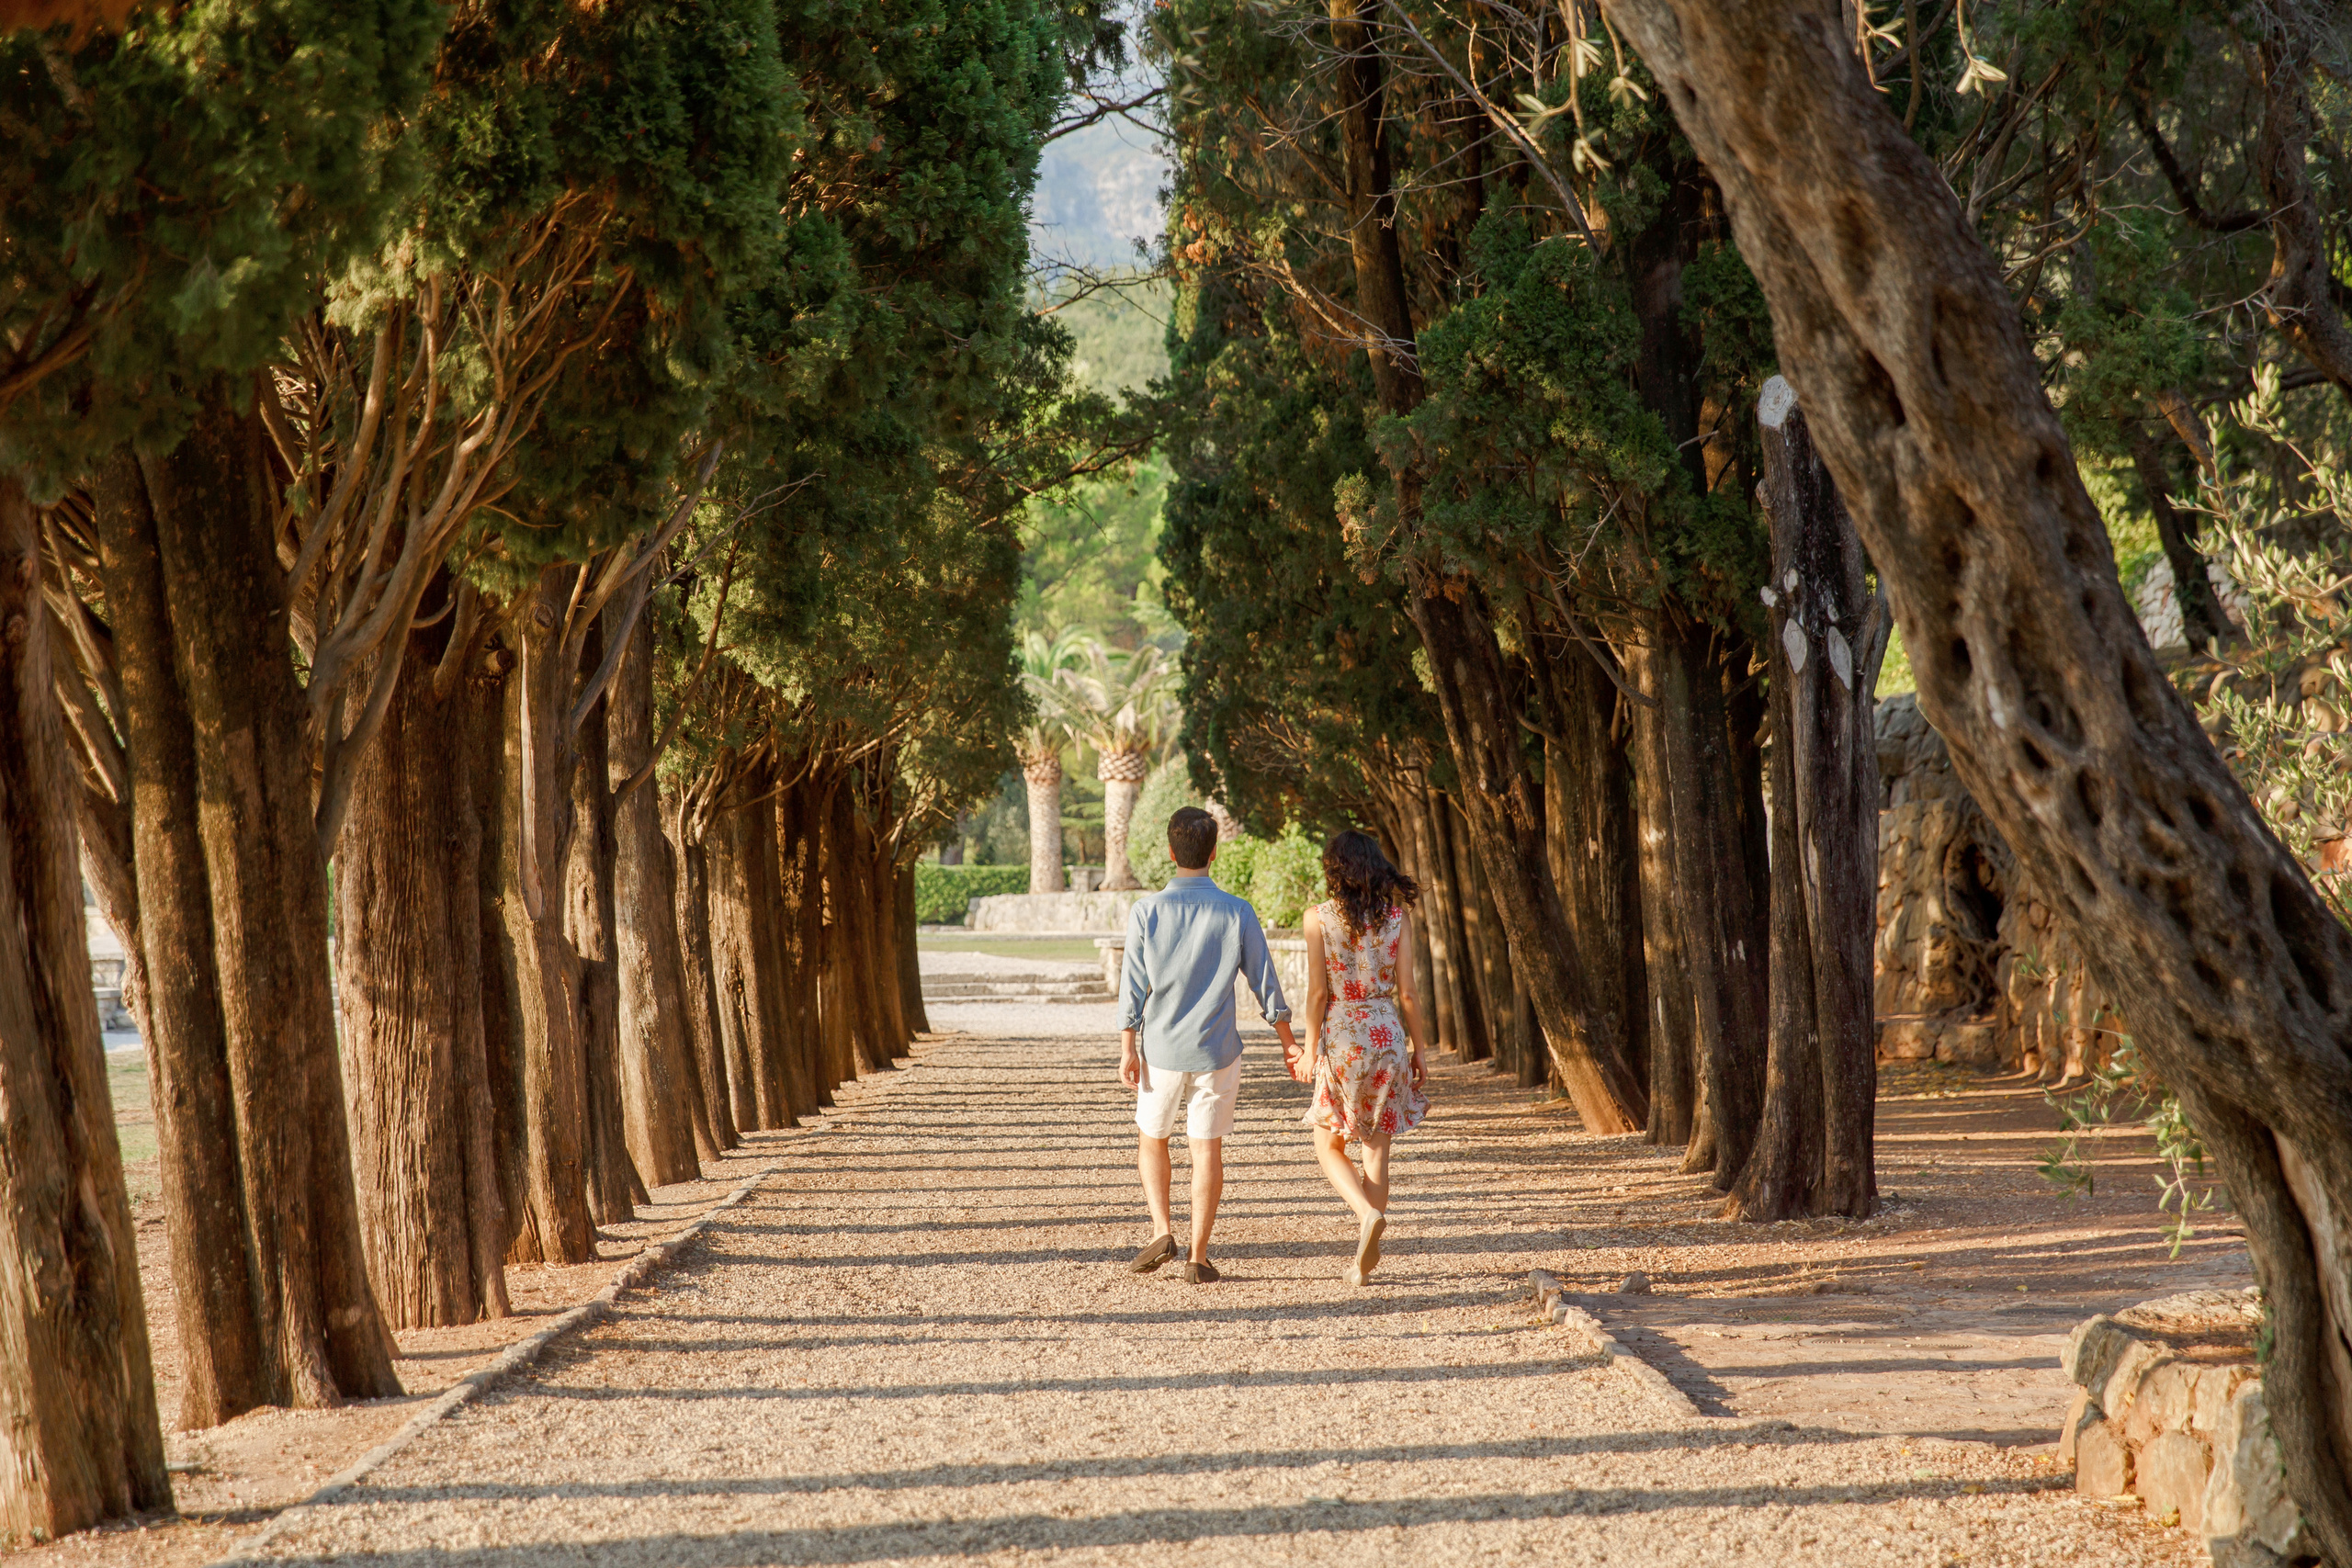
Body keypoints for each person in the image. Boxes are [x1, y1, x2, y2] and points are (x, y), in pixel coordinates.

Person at [1117, 806, 1299, 1284]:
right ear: (1214, 852)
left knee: (1152, 1138)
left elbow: (1132, 987)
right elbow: (1266, 982)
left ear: (1172, 851)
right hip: (1217, 1051)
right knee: (1207, 1149)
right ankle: (1198, 1256)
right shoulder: (1237, 911)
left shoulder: (1146, 911)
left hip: (1160, 1050)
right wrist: (1289, 1044)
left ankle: (1161, 1228)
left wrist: (1127, 1048)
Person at [1301, 829, 1430, 1285]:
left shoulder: (1318, 918)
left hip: (1343, 1035)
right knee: (1377, 1147)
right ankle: (1366, 1244)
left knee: (1328, 1143)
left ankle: (1365, 1213)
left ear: (1334, 870)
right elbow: (1410, 994)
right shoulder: (1397, 918)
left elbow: (1318, 992)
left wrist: (1309, 1048)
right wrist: (1419, 1051)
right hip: (1387, 1032)